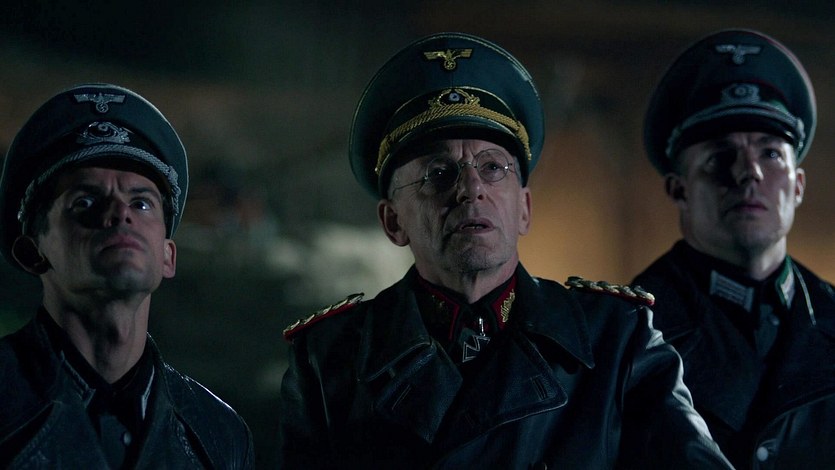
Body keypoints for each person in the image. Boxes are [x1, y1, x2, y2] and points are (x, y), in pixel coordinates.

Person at [276, 32, 731, 469]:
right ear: (393, 222)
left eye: (493, 167)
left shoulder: (616, 339)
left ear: (524, 210)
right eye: (438, 173)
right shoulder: (330, 359)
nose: (471, 189)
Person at [0, 83, 253, 468]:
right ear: (32, 252)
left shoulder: (217, 433)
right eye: (85, 201)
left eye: (141, 202)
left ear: (168, 256)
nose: (120, 213)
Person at [634, 29, 835, 468]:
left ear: (798, 186)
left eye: (771, 154)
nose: (749, 173)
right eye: (719, 156)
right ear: (679, 189)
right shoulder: (630, 330)